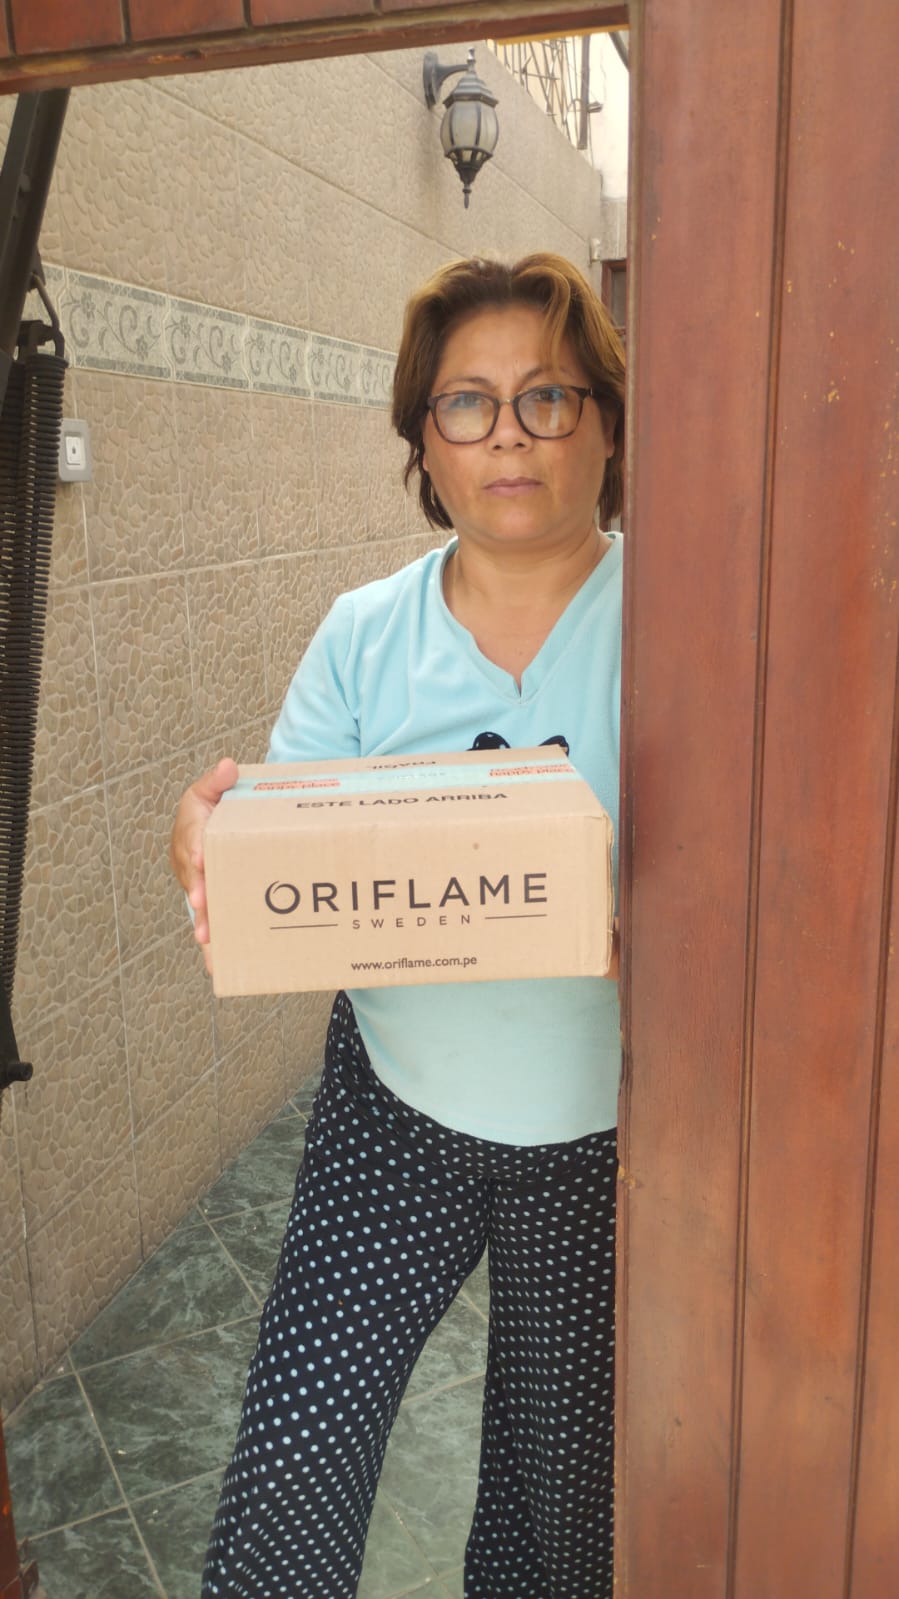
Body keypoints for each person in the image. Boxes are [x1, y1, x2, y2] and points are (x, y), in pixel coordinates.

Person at [170, 251, 625, 1599]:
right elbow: (284, 860)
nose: (509, 436)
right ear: (424, 443)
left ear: (607, 423)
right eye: (466, 403)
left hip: (607, 1136)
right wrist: (214, 842)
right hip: (396, 1113)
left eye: (548, 396)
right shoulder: (365, 636)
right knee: (296, 1456)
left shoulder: (691, 628)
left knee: (563, 1505)